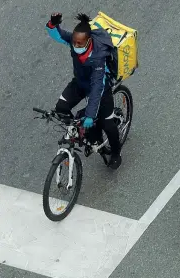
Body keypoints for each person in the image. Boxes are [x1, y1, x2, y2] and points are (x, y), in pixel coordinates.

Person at [45, 12, 122, 169]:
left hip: (101, 89)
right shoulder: (75, 41)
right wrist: (53, 25)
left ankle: (115, 153)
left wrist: (90, 115)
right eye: (74, 42)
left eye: (80, 44)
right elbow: (59, 35)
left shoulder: (98, 57)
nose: (76, 46)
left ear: (89, 42)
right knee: (61, 109)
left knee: (107, 123)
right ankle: (87, 132)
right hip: (80, 83)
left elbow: (97, 88)